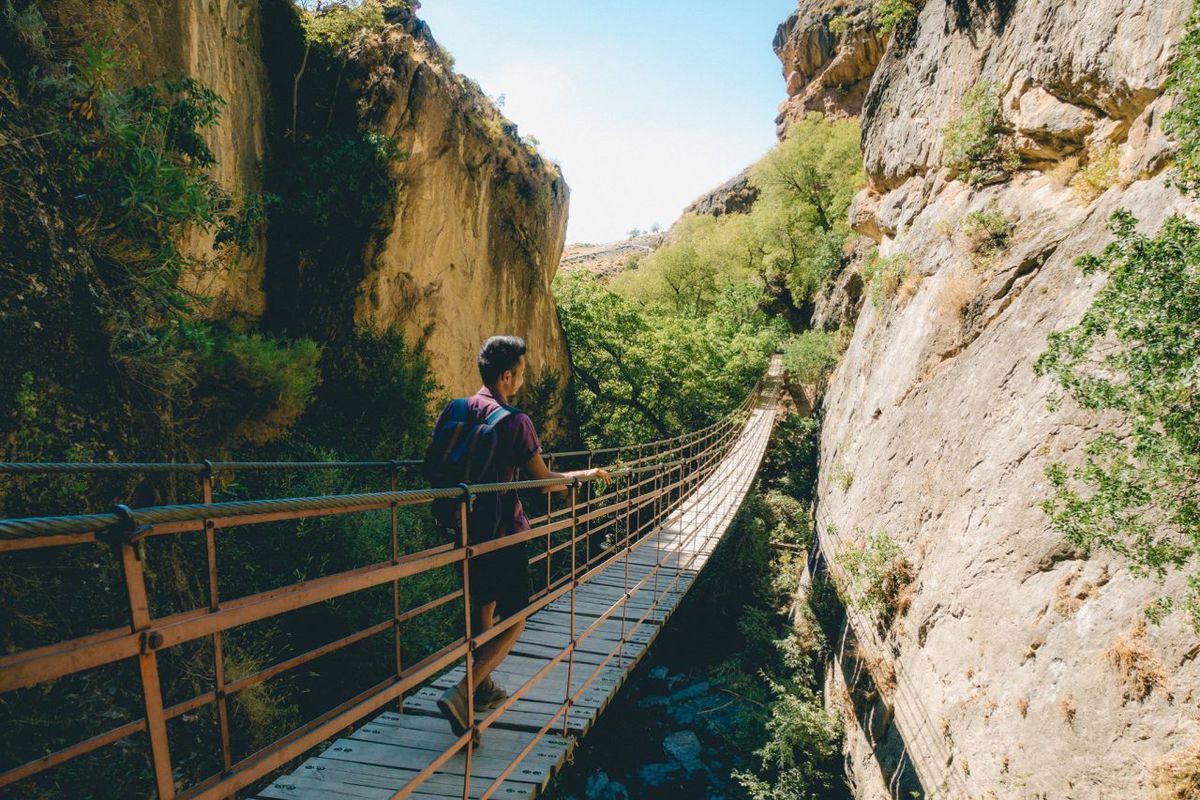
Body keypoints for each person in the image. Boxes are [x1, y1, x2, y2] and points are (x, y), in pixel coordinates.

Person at [432, 335, 610, 745]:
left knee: (485, 606)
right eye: (521, 374)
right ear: (507, 376)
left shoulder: (455, 408)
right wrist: (582, 477)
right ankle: (463, 690)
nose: (522, 381)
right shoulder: (515, 421)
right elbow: (544, 483)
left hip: (463, 530)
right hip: (504, 535)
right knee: (516, 615)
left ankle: (481, 688)